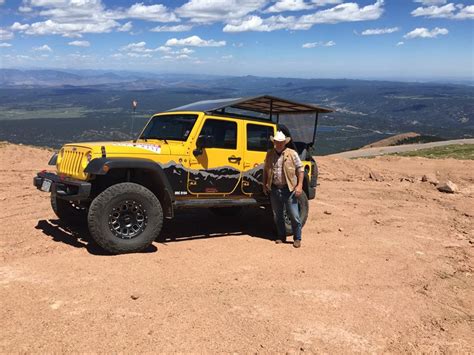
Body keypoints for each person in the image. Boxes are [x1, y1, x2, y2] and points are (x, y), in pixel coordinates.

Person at [263, 131, 304, 248]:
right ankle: (281, 236)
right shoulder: (270, 154)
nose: (279, 144)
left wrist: (300, 185)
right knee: (278, 215)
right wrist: (264, 184)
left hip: (289, 189)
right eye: (277, 142)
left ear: (284, 142)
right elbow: (266, 169)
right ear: (274, 142)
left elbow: (300, 169)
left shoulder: (292, 154)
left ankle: (297, 238)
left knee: (294, 215)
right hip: (275, 189)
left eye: (281, 142)